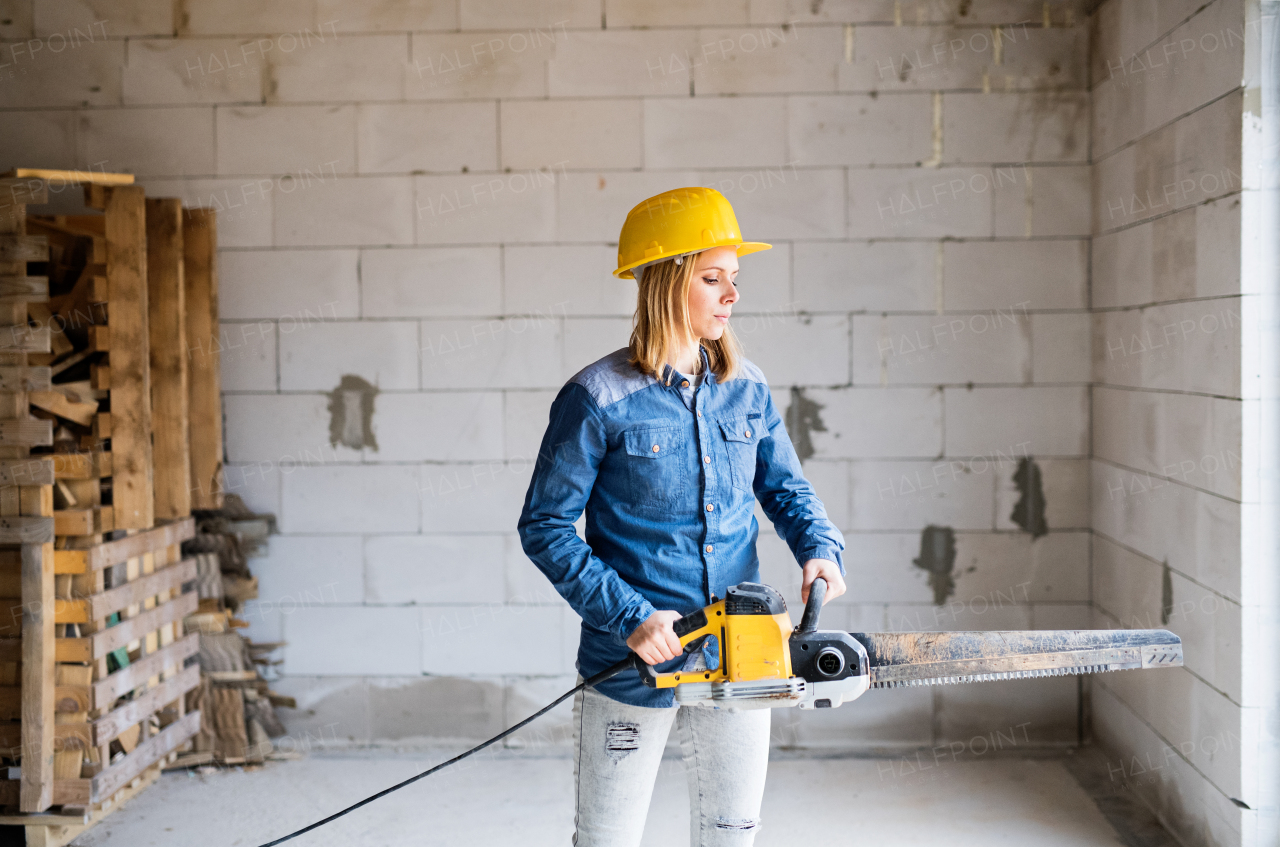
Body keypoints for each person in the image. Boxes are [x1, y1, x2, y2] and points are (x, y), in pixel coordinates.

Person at [517, 186, 847, 846]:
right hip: (630, 663)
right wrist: (631, 616)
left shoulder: (746, 387)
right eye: (713, 278)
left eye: (735, 279)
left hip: (740, 657)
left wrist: (820, 547)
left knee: (731, 836)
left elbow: (785, 488)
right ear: (669, 284)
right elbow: (545, 527)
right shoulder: (597, 398)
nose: (732, 295)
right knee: (606, 839)